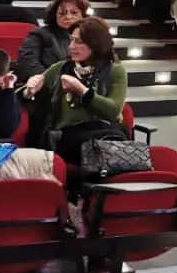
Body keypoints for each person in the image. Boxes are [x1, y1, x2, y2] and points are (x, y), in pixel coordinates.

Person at [19, 16, 127, 174]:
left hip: (106, 133)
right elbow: (21, 95)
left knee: (108, 154)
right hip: (70, 137)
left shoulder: (115, 71)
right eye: (71, 40)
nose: (71, 46)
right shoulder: (60, 69)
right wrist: (29, 90)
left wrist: (81, 90)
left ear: (96, 44)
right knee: (95, 161)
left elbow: (113, 111)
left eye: (79, 42)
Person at [16, 0, 90, 80]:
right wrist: (54, 81)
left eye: (74, 13)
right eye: (62, 13)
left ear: (83, 14)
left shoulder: (93, 36)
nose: (68, 17)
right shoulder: (39, 34)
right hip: (46, 86)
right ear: (54, 15)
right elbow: (27, 64)